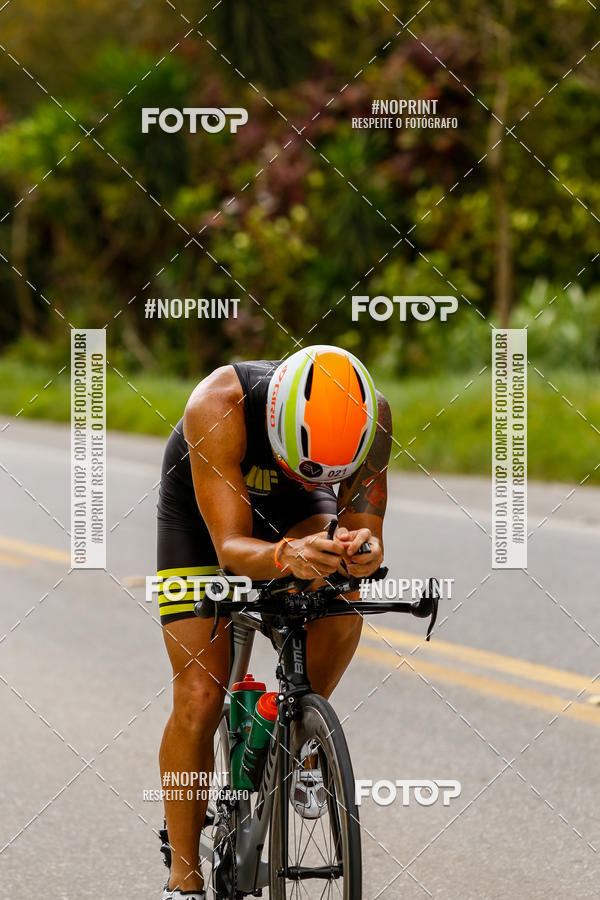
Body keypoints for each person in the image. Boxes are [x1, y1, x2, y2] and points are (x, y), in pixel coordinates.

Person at [157, 344, 392, 899]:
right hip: (205, 515)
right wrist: (288, 556)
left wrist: (363, 549)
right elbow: (234, 548)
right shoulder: (216, 404)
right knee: (198, 694)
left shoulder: (373, 417)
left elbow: (363, 528)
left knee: (343, 595)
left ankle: (300, 737)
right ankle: (183, 879)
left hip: (301, 501)